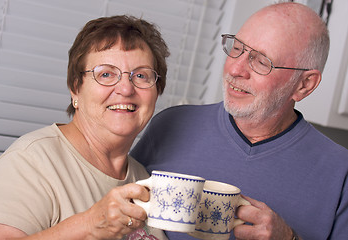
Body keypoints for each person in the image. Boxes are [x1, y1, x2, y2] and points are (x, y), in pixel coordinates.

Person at [131, 2, 348, 240]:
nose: (235, 69)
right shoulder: (171, 124)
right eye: (237, 48)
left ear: (304, 85)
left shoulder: (340, 173)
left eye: (261, 61)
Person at [0, 15, 170, 240]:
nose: (125, 88)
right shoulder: (31, 161)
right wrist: (89, 225)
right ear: (76, 88)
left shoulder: (142, 177)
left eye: (141, 75)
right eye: (106, 74)